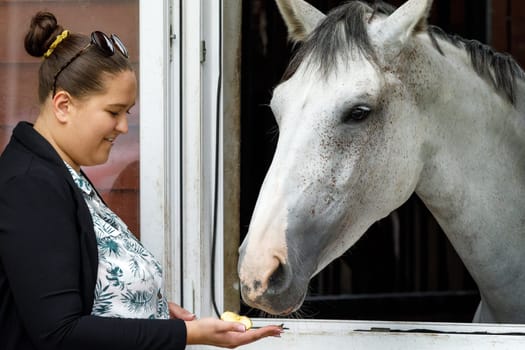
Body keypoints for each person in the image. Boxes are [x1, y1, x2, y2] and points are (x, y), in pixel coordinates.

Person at [0, 11, 283, 350]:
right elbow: (59, 333)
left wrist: (152, 310)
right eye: (113, 111)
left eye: (127, 113)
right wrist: (185, 335)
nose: (123, 127)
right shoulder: (30, 185)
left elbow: (86, 287)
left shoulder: (62, 172)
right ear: (63, 105)